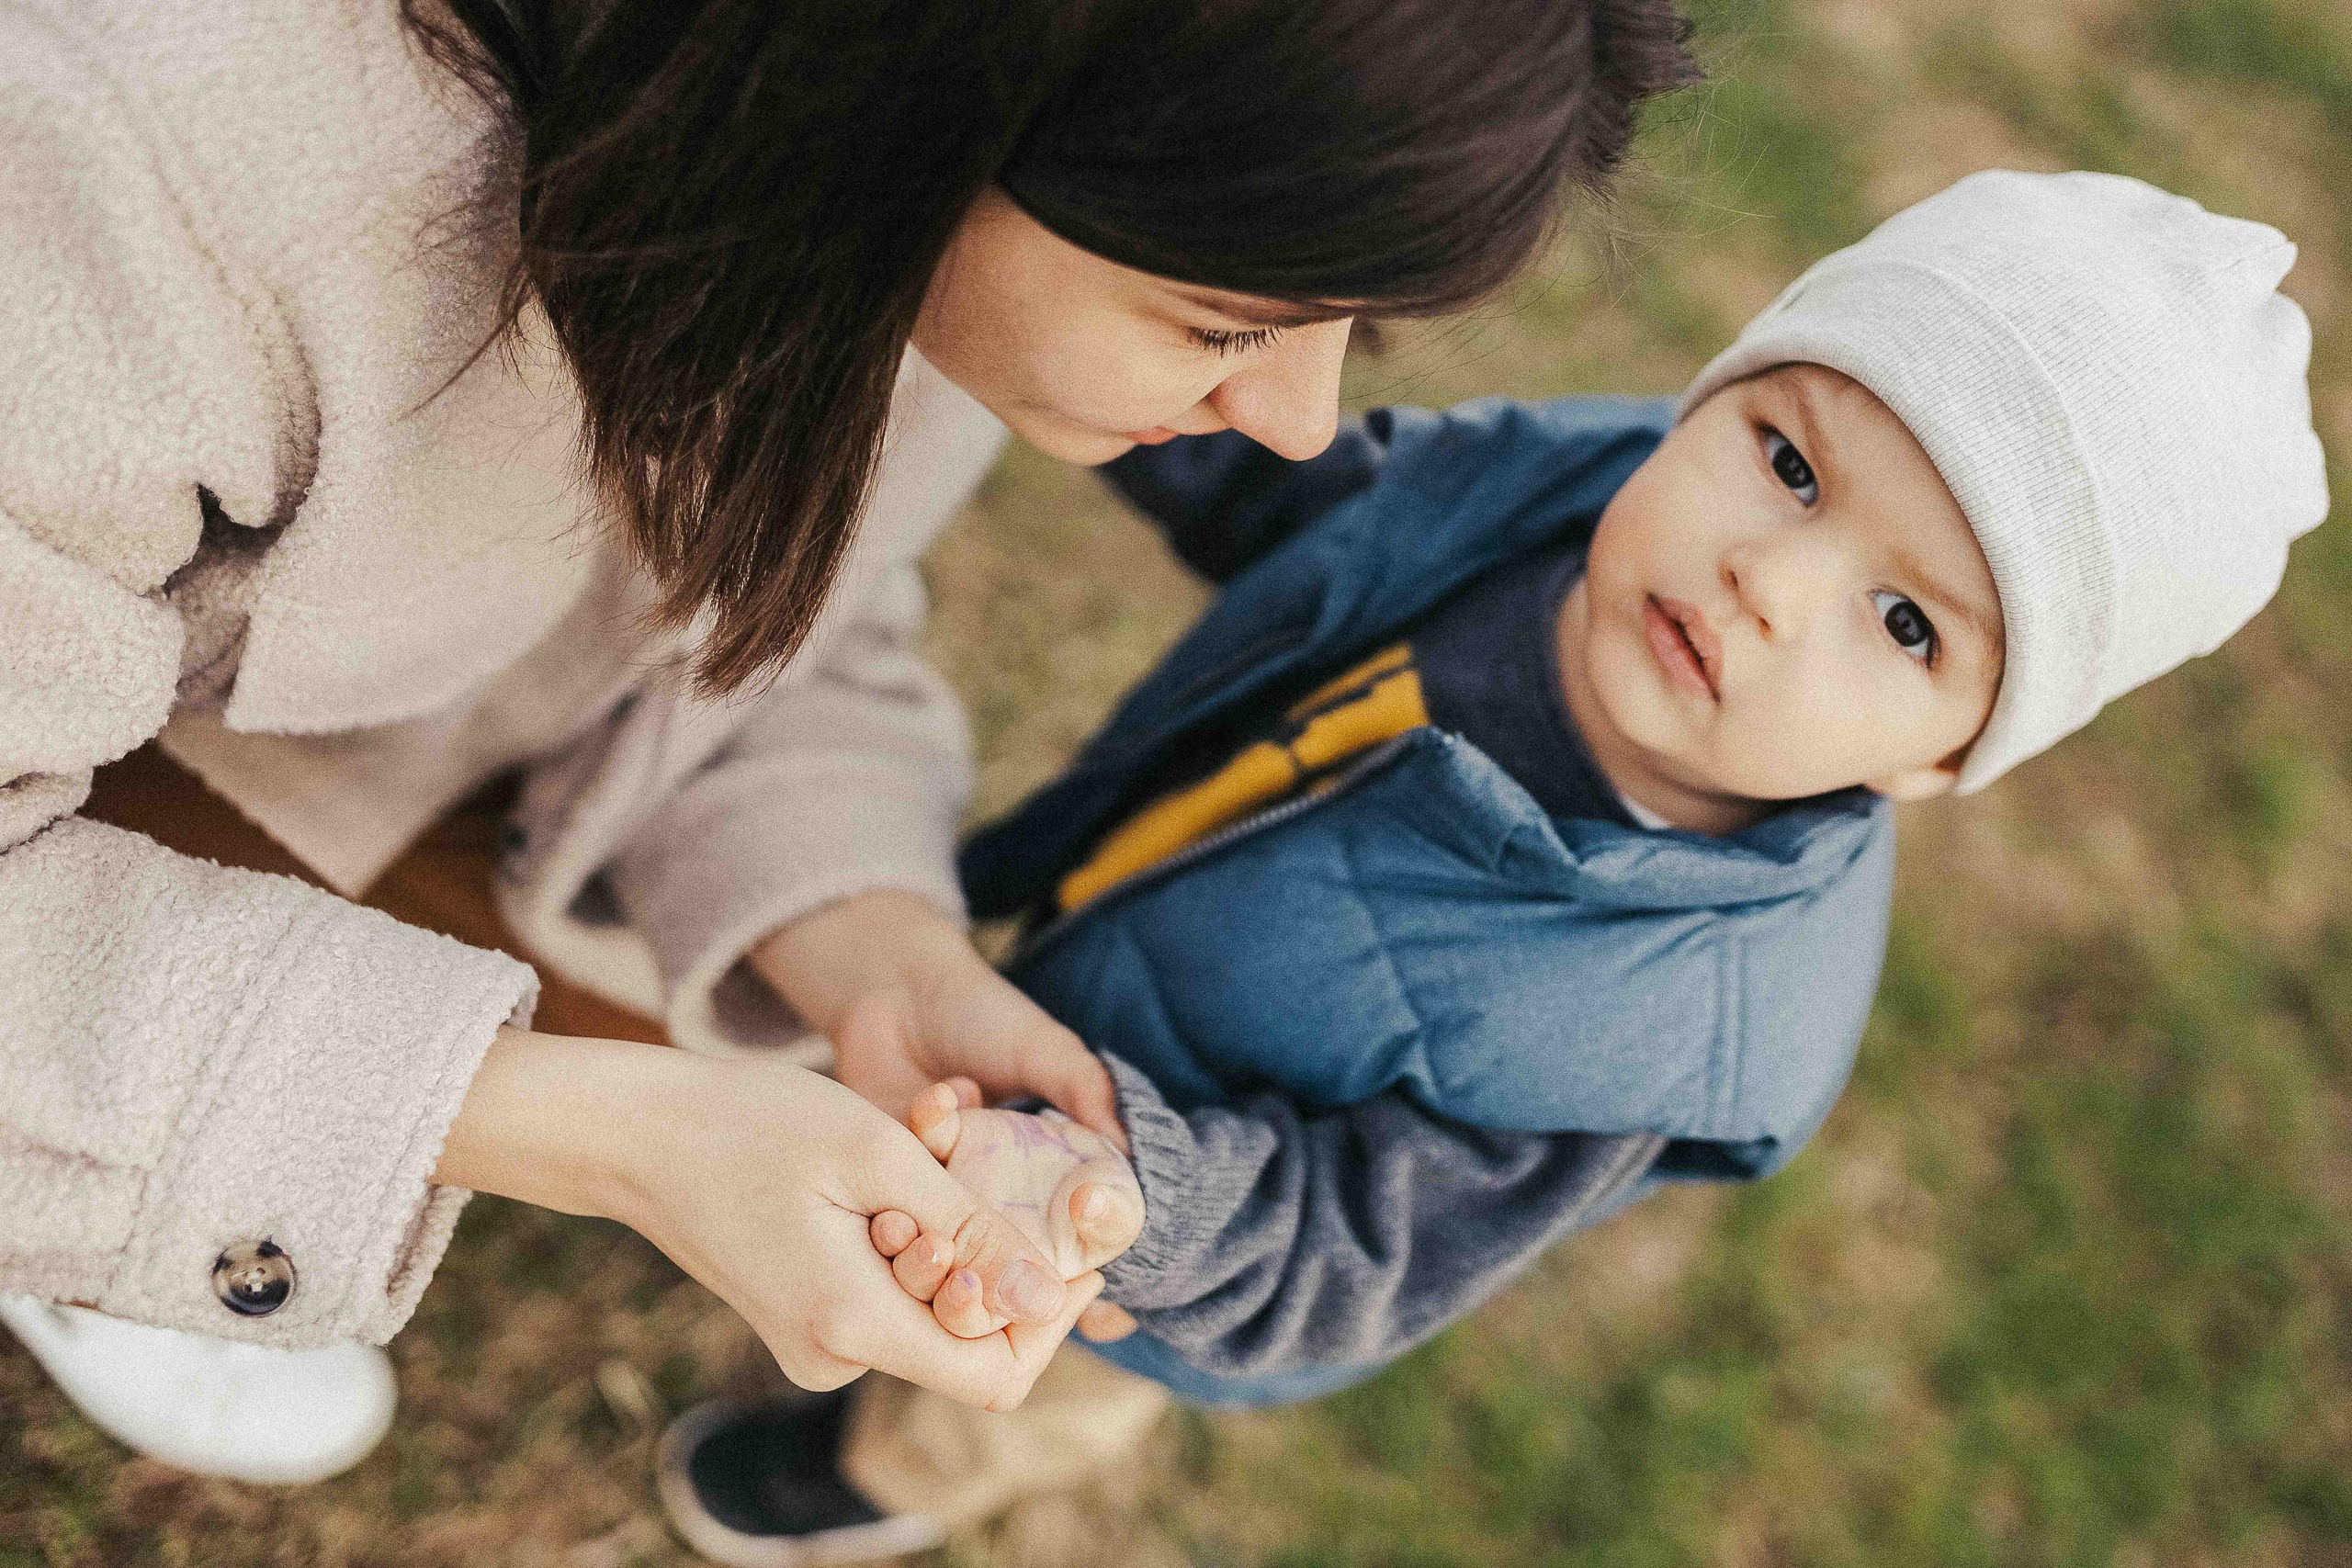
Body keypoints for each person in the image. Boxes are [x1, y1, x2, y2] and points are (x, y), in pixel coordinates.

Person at [0, 0, 1701, 1501]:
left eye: (1348, 328)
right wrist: (589, 1129)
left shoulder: (855, 177)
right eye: (1223, 319)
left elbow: (767, 608)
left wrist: (874, 952)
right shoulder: (143, 181)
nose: (1301, 422)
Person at [687, 169, 2326, 1556]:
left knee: (1024, 1381)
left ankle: (873, 1483)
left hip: (1174, 1244)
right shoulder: (1544, 502)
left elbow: (1353, 1253)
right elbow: (1319, 513)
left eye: (1903, 621)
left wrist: (1135, 1211)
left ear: (1942, 758)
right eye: (1791, 460)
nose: (1767, 574)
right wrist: (1162, 386)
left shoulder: (1654, 1033)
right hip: (1107, 941)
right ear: (1721, 392)